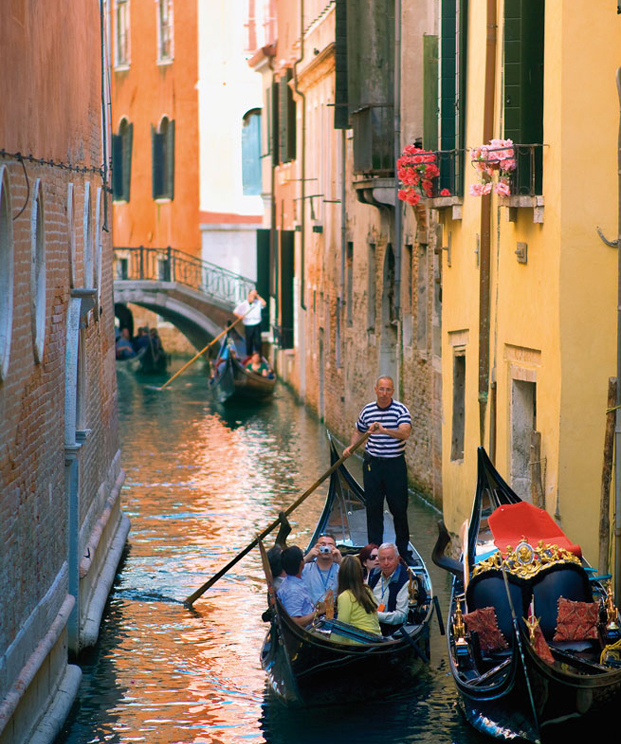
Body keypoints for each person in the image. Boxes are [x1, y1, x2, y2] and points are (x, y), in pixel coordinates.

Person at [343, 375, 412, 561]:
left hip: (394, 465)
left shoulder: (400, 410)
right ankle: (374, 551)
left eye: (388, 389)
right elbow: (358, 430)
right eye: (381, 389)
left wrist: (384, 430)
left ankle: (404, 551)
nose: (384, 393)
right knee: (373, 508)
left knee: (399, 509)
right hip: (372, 465)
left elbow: (405, 432)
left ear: (392, 391)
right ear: (375, 390)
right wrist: (351, 446)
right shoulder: (367, 410)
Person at [335, 555, 381, 642]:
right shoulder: (367, 590)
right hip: (375, 641)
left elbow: (341, 627)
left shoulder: (345, 596)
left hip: (358, 644)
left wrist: (331, 644)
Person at [368, 542, 410, 635]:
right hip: (371, 625)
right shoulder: (373, 574)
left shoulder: (405, 580)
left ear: (397, 559)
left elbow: (401, 615)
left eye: (390, 559)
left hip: (394, 631)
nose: (386, 563)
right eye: (382, 559)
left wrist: (375, 615)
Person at [278, 546, 325, 627]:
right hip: (307, 631)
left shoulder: (289, 580)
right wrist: (318, 612)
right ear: (302, 564)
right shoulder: (294, 591)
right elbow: (295, 622)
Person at [302, 533, 342, 604]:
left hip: (333, 611)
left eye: (330, 545)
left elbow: (356, 582)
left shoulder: (340, 568)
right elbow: (288, 574)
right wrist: (307, 557)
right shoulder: (306, 568)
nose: (326, 548)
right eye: (322, 545)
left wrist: (340, 561)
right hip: (311, 612)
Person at [234, 288, 266, 356]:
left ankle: (258, 356)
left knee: (258, 341)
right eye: (252, 295)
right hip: (248, 325)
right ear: (248, 295)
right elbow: (235, 312)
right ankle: (249, 356)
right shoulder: (243, 304)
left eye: (254, 296)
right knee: (249, 341)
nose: (253, 297)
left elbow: (264, 303)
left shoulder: (258, 302)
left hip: (257, 323)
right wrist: (239, 316)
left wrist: (257, 296)